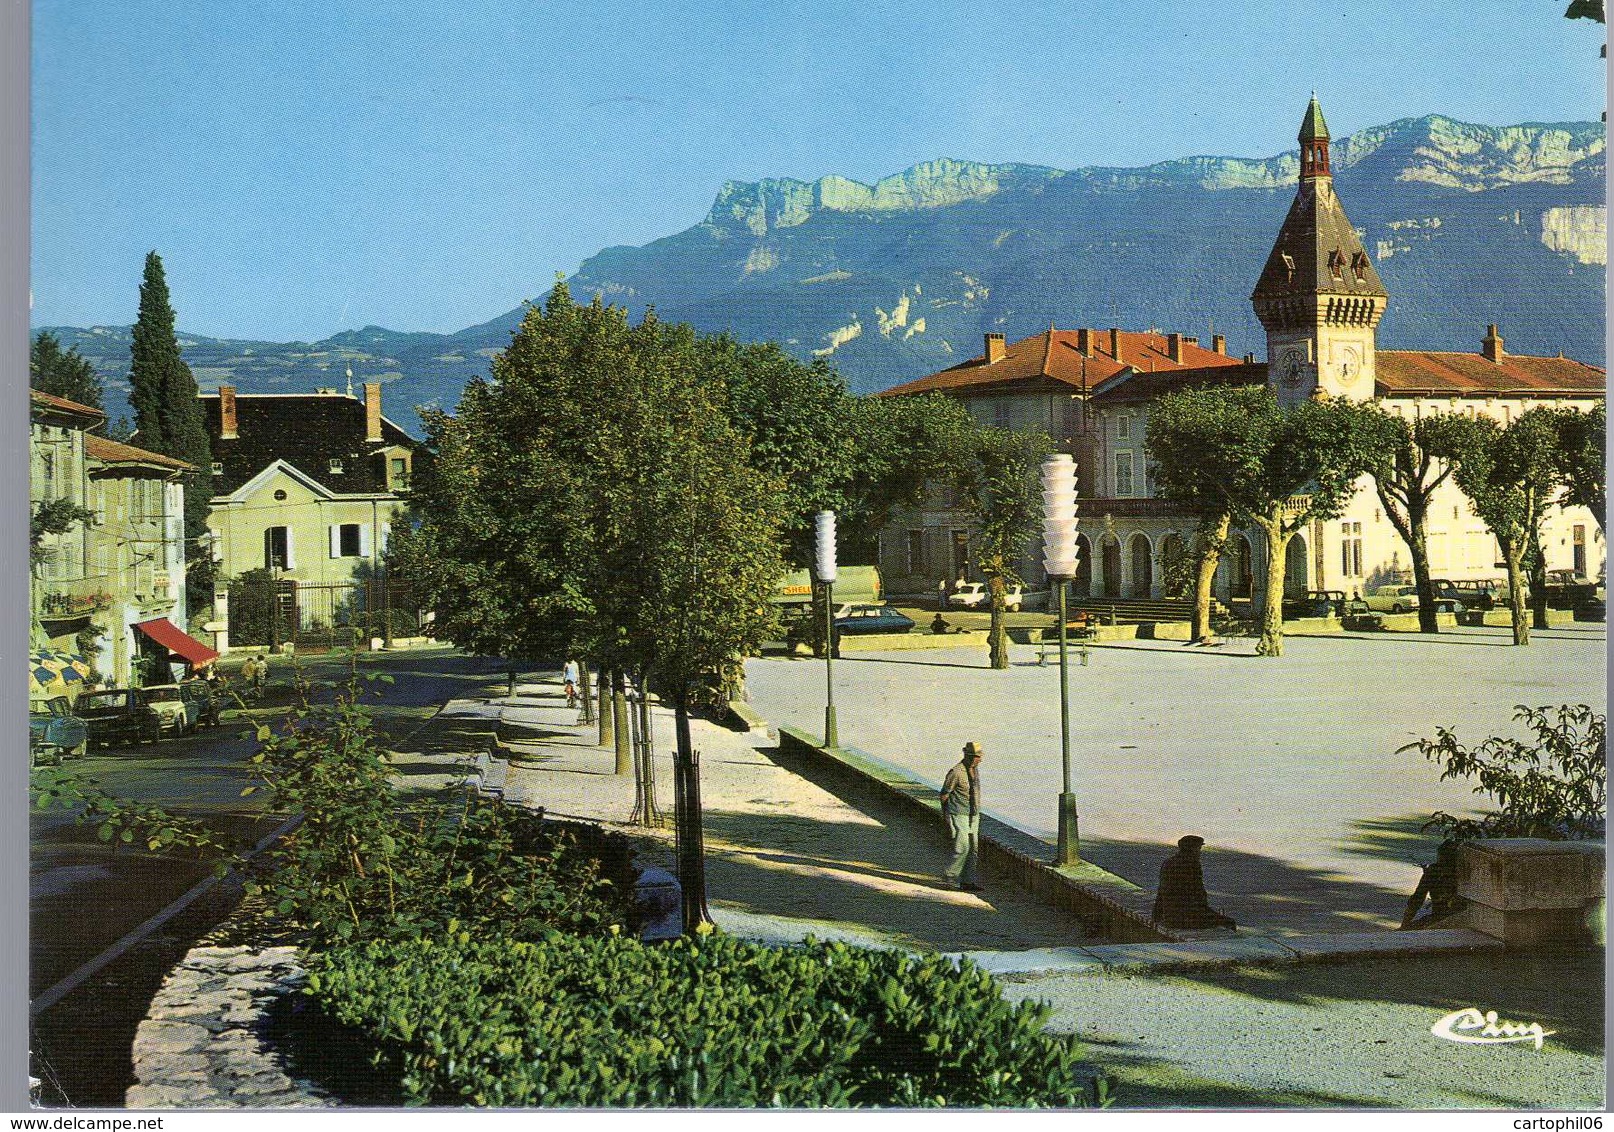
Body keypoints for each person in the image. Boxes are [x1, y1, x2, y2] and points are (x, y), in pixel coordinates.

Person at [1151, 835, 1236, 929]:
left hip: (1170, 917)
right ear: (1192, 849)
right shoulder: (1192, 864)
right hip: (1187, 918)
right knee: (1229, 922)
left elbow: (1162, 892)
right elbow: (1196, 896)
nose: (1200, 852)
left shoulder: (1168, 862)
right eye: (1198, 848)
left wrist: (1156, 915)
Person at [940, 741, 985, 891]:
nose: (977, 760)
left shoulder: (975, 770)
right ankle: (949, 877)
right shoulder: (956, 772)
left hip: (973, 815)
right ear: (966, 755)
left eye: (979, 756)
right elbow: (945, 794)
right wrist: (946, 815)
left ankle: (967, 881)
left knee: (973, 849)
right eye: (974, 757)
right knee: (962, 847)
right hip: (959, 814)